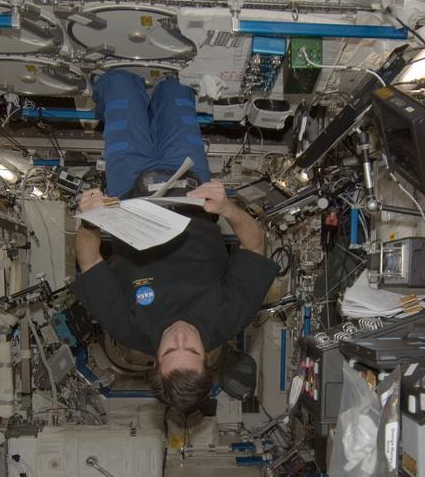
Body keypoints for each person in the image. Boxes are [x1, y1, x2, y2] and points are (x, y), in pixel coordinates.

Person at [71, 70, 277, 414]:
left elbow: (88, 261)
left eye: (170, 351)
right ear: (207, 357)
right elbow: (256, 247)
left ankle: (117, 79)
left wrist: (91, 220)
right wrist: (228, 208)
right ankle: (167, 79)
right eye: (192, 350)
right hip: (189, 183)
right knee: (174, 89)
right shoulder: (229, 318)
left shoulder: (127, 327)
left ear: (155, 360)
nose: (181, 337)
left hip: (128, 186)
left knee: (120, 85)